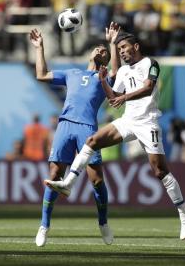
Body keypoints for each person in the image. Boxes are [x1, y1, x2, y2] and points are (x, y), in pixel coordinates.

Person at [46, 32, 185, 240]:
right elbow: (113, 97)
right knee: (92, 141)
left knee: (159, 171)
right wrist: (103, 80)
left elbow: (148, 88)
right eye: (120, 49)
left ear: (135, 46)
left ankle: (184, 215)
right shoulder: (123, 71)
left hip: (147, 122)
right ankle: (69, 182)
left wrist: (124, 97)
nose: (122, 51)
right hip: (128, 121)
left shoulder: (151, 63)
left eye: (125, 47)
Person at [29, 21, 120, 247]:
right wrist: (40, 48)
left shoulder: (103, 78)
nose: (100, 50)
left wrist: (113, 44)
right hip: (65, 126)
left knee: (96, 179)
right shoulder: (71, 73)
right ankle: (44, 226)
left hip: (88, 129)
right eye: (97, 48)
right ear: (90, 54)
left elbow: (117, 73)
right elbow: (41, 74)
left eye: (104, 51)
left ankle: (103, 223)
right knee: (55, 174)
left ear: (106, 59)